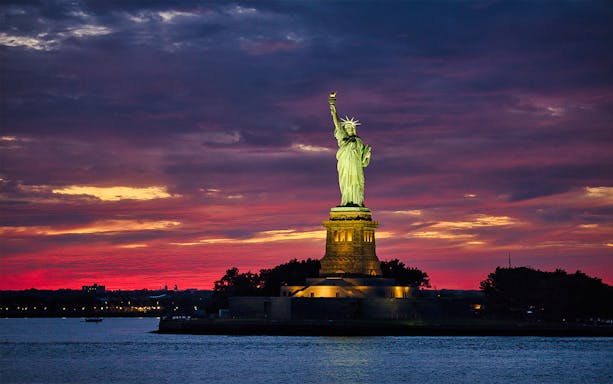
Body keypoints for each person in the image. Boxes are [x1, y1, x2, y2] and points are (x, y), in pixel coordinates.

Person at [329, 93, 371, 207]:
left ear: (353, 128)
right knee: (346, 184)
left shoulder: (359, 142)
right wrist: (333, 108)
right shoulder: (344, 139)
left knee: (356, 183)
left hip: (356, 167)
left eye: (349, 127)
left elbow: (364, 163)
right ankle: (346, 202)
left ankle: (357, 202)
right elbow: (337, 125)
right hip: (345, 165)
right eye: (346, 128)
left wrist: (367, 154)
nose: (347, 129)